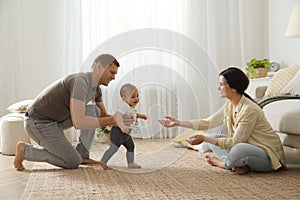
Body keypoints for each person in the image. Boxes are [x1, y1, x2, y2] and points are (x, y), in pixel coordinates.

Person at [14, 54, 133, 170]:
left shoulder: (96, 89)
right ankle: (25, 150)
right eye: (112, 72)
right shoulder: (80, 82)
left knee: (93, 110)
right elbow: (79, 122)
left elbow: (102, 115)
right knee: (72, 161)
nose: (114, 77)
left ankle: (82, 154)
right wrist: (113, 120)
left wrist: (122, 118)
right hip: (38, 122)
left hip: (56, 122)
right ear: (99, 66)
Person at [159, 67, 286, 175]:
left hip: (268, 158)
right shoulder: (230, 105)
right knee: (214, 137)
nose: (218, 88)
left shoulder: (249, 110)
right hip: (250, 149)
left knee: (238, 149)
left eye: (221, 84)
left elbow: (236, 142)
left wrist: (204, 139)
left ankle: (224, 163)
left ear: (233, 88)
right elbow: (208, 122)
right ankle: (239, 164)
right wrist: (178, 122)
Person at [100, 83, 147, 169]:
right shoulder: (123, 106)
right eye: (133, 97)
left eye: (137, 96)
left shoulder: (130, 107)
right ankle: (103, 161)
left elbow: (134, 114)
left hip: (126, 134)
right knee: (113, 148)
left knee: (131, 146)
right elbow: (118, 115)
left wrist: (141, 116)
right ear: (124, 99)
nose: (136, 98)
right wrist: (122, 126)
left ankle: (130, 163)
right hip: (118, 132)